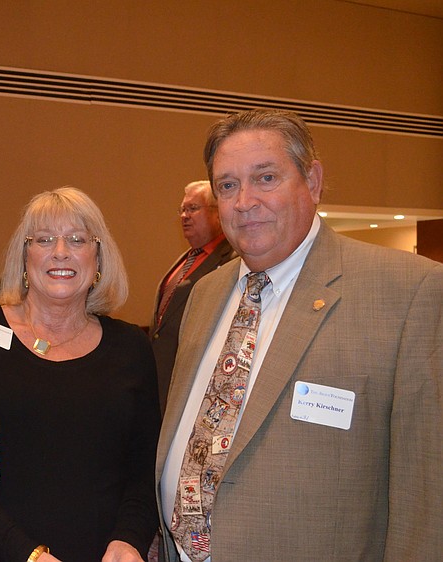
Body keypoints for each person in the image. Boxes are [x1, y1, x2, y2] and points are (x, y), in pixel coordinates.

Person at [156, 108, 443, 561]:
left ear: (312, 181)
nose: (244, 201)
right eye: (227, 185)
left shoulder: (408, 292)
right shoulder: (205, 294)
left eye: (266, 178)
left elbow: (426, 496)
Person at [0, 187, 161, 562]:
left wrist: (130, 538)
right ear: (24, 256)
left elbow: (145, 469)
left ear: (98, 257)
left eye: (77, 240)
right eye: (45, 239)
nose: (61, 252)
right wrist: (27, 553)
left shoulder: (131, 348)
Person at [149, 180, 235, 416]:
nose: (184, 216)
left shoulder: (232, 260)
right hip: (162, 378)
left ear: (217, 213)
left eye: (193, 208)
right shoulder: (187, 257)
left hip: (194, 381)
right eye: (182, 209)